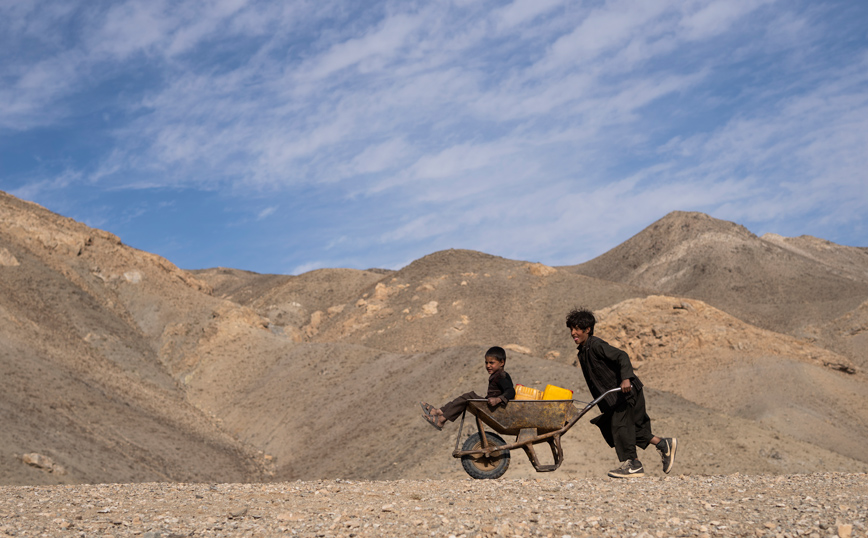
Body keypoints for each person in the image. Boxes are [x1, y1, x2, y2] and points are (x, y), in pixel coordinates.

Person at [566, 307, 677, 478]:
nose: (573, 332)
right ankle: (663, 444)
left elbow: (622, 356)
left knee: (620, 426)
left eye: (576, 329)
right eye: (571, 329)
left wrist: (626, 378)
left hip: (624, 393)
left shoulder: (596, 345)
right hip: (615, 397)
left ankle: (633, 464)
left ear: (587, 329)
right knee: (630, 428)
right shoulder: (583, 351)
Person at [420, 346, 515, 430]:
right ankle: (439, 412)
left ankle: (441, 419)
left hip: (496, 409)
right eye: (486, 363)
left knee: (469, 396)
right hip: (491, 406)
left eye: (491, 363)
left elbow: (511, 391)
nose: (488, 366)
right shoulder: (496, 375)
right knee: (466, 397)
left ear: (502, 362)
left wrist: (497, 400)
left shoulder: (502, 376)